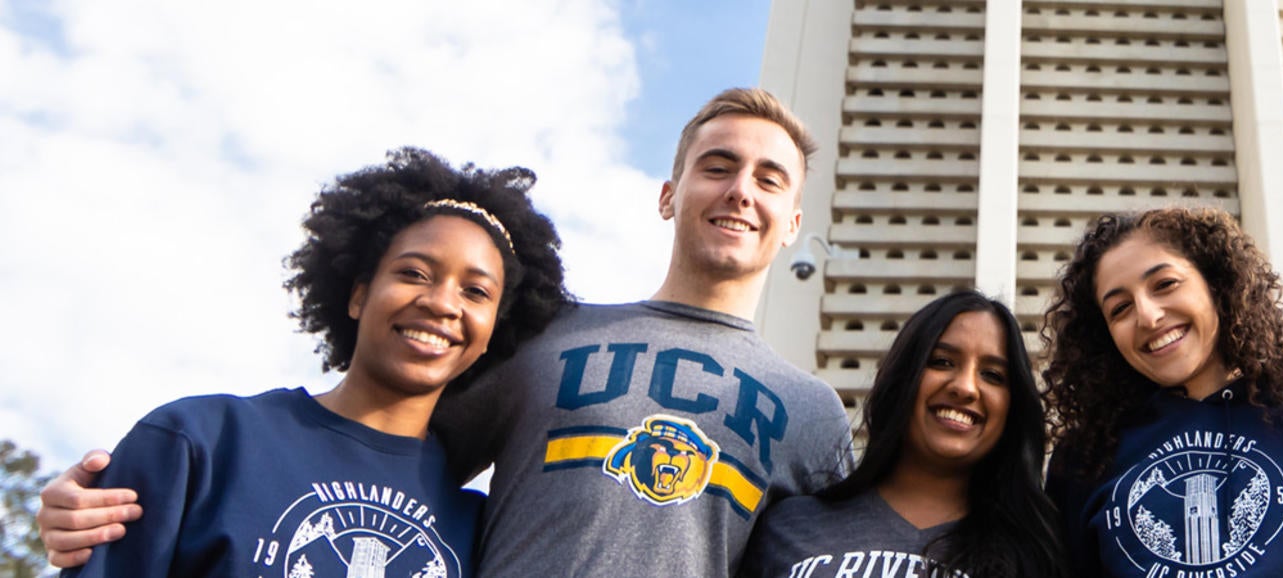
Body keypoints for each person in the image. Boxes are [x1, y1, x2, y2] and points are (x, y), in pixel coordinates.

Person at [42, 88, 855, 576]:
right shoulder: (540, 338)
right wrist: (132, 501)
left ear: (791, 224)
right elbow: (372, 452)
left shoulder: (812, 413)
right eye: (717, 165)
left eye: (768, 178)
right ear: (669, 193)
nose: (740, 190)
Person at [63, 148, 569, 576]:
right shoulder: (199, 442)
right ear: (357, 296)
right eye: (414, 273)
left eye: (475, 291)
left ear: (490, 338)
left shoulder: (486, 532)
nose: (441, 303)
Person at [1040, 207, 1283, 578]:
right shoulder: (1085, 459)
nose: (1147, 316)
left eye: (1165, 284)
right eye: (1120, 308)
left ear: (1217, 284)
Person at [740, 290, 1064, 577]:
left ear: (1014, 406)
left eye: (992, 375)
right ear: (902, 377)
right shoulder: (788, 526)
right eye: (942, 361)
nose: (965, 387)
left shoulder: (1036, 556)